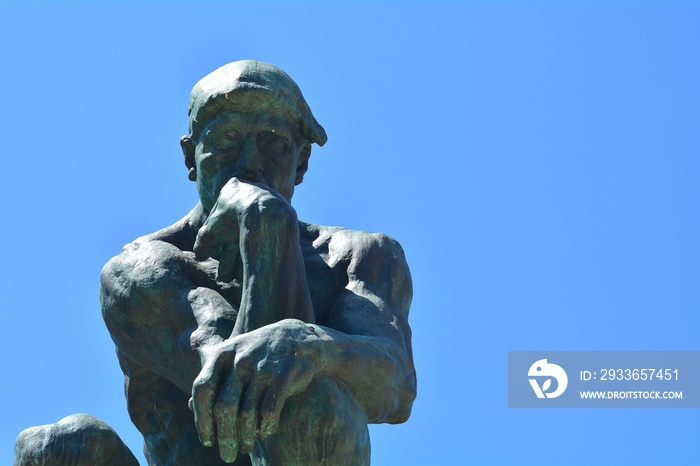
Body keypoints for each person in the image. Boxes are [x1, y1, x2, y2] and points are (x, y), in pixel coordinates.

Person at [100, 60, 416, 465]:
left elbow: (397, 383)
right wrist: (267, 223)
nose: (251, 162)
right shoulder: (140, 270)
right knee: (61, 444)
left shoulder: (358, 256)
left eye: (274, 143)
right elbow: (236, 389)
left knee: (312, 401)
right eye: (227, 138)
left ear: (301, 163)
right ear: (190, 157)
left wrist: (306, 344)